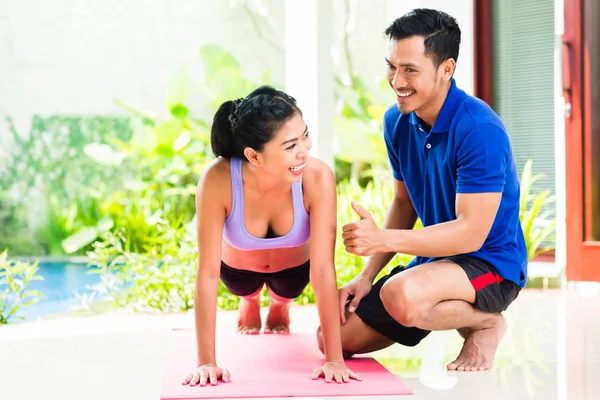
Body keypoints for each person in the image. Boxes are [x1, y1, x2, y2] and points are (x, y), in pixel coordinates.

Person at [317, 8, 528, 372]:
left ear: (446, 69)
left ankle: (485, 321)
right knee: (333, 338)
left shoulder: (479, 129)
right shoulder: (396, 121)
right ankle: (427, 301)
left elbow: (469, 233)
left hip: (489, 262)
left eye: (410, 70)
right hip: (435, 262)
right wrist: (366, 276)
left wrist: (383, 239)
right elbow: (403, 201)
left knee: (402, 296)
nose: (397, 80)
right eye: (392, 67)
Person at [182, 86, 360, 387]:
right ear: (254, 155)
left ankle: (279, 304)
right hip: (237, 273)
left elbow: (322, 270)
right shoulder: (218, 178)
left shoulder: (317, 177)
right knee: (244, 290)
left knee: (285, 293)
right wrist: (206, 362)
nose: (304, 150)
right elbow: (208, 273)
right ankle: (249, 300)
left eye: (305, 136)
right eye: (291, 146)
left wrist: (334, 359)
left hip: (294, 273)